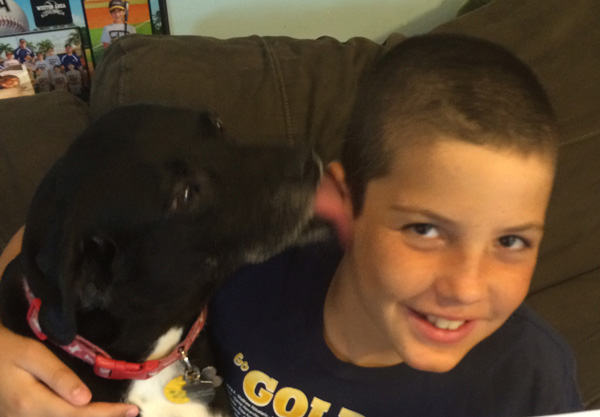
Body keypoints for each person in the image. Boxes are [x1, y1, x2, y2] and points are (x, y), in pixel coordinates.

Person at [0, 33, 583, 417]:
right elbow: (60, 234)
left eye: (512, 240)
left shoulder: (531, 381)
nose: (467, 286)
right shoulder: (253, 270)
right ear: (340, 202)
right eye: (426, 231)